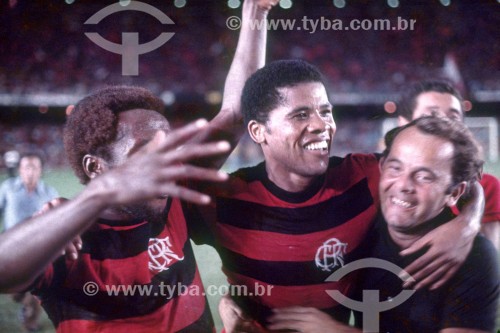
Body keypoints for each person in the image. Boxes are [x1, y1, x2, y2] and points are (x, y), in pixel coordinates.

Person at [0, 1, 277, 331]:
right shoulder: (71, 241)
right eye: (145, 153)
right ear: (95, 168)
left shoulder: (173, 196)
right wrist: (95, 198)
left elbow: (233, 114)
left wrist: (255, 14)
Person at [186, 60, 484, 332]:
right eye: (301, 114)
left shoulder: (365, 177)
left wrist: (467, 222)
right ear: (259, 131)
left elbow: (453, 175)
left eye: (325, 111)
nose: (321, 125)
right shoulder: (223, 199)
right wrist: (226, 302)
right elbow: (155, 215)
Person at [267, 116, 499, 333]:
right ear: (381, 167)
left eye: (424, 176)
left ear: (454, 193)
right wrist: (234, 302)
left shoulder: (473, 257)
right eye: (395, 168)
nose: (403, 184)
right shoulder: (359, 224)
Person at [396, 79, 500, 250]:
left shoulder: (487, 186)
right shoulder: (385, 181)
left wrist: (469, 224)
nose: (444, 122)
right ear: (404, 123)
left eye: (453, 117)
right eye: (431, 115)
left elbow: (491, 262)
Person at [0, 152, 58, 332]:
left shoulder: (50, 193)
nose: (30, 171)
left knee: (37, 290)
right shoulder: (8, 188)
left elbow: (56, 224)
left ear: (41, 170)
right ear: (20, 169)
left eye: (35, 167)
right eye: (26, 167)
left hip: (38, 252)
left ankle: (30, 320)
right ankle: (22, 300)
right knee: (16, 293)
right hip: (11, 250)